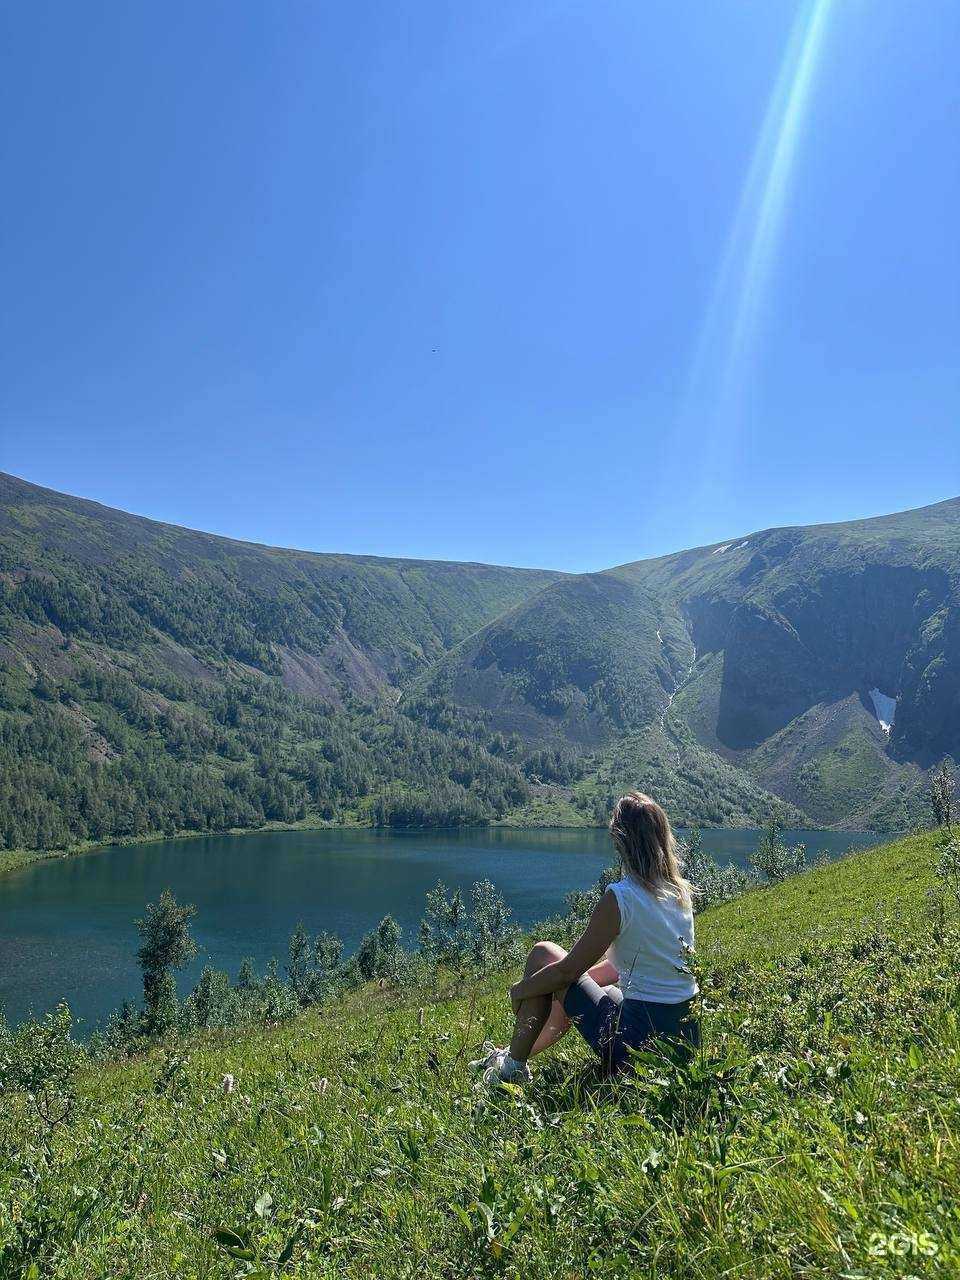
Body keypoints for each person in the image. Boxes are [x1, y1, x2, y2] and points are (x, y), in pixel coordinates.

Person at [472, 792, 699, 1084]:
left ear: (619, 840)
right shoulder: (679, 892)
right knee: (587, 987)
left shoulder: (621, 898)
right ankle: (511, 1057)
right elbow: (621, 968)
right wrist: (568, 987)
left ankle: (511, 1070)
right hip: (685, 1045)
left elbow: (566, 972)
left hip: (640, 1053)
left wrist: (520, 991)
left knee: (544, 954)